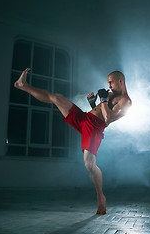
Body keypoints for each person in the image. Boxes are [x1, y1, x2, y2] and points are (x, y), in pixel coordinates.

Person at [14, 68, 132, 214]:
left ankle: (100, 196)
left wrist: (102, 100)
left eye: (111, 82)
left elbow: (107, 119)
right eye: (108, 83)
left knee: (89, 164)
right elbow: (100, 110)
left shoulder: (125, 101)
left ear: (120, 80)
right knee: (56, 98)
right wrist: (92, 103)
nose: (109, 86)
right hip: (85, 118)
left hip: (94, 129)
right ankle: (23, 85)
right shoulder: (110, 95)